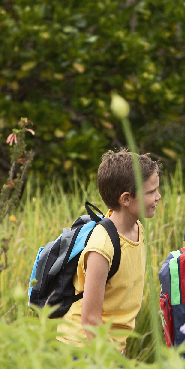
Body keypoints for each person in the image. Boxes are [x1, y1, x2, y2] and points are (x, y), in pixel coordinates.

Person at [58, 149, 161, 353]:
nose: (158, 197)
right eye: (151, 192)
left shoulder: (136, 227)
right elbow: (90, 319)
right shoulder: (101, 247)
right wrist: (110, 362)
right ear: (125, 199)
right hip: (83, 348)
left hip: (110, 344)